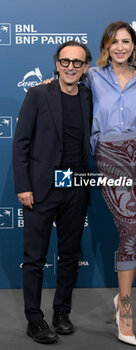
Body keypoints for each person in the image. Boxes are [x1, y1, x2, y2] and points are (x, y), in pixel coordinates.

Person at [82, 21, 136, 346]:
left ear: (134, 45)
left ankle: (122, 301)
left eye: (126, 41)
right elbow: (66, 90)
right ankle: (125, 309)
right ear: (106, 46)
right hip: (110, 154)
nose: (120, 47)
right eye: (114, 42)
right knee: (128, 226)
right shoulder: (91, 76)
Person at [13, 40, 92, 344]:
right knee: (34, 258)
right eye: (65, 61)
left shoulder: (87, 95)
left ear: (85, 67)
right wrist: (23, 186)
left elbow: (121, 78)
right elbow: (20, 143)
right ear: (56, 63)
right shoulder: (38, 94)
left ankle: (62, 312)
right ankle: (35, 319)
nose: (70, 66)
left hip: (76, 188)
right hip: (41, 189)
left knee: (69, 254)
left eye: (77, 62)